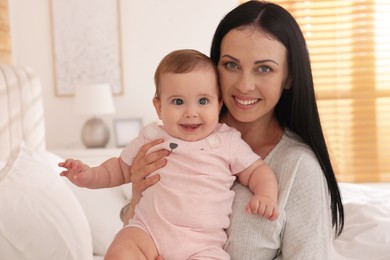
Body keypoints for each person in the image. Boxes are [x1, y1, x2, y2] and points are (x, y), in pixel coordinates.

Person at [122, 1, 345, 259]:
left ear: (289, 77)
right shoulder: (173, 135)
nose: (245, 85)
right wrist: (138, 194)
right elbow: (131, 230)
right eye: (231, 65)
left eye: (264, 69)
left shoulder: (299, 168)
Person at [59, 49, 279, 259]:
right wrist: (89, 175)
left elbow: (258, 170)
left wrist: (265, 195)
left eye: (203, 101)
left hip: (202, 245)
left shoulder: (227, 141)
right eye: (178, 101)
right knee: (121, 250)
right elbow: (119, 168)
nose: (191, 112)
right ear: (159, 107)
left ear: (218, 104)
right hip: (147, 232)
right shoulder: (152, 135)